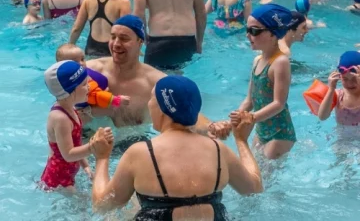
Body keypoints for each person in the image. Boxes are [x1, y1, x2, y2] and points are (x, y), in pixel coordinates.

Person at [91, 75, 263, 219]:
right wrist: (241, 140)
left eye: (152, 98)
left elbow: (102, 206)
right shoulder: (218, 150)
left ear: (162, 107)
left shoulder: (140, 153)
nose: (148, 104)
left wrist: (102, 157)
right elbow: (254, 189)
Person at [85, 15, 231, 140]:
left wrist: (210, 127)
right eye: (113, 37)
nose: (116, 44)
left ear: (140, 42)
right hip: (90, 144)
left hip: (133, 146)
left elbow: (186, 112)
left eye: (124, 39)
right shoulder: (89, 70)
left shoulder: (156, 82)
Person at [39, 60, 114, 190]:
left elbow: (76, 144)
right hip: (58, 179)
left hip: (68, 174)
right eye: (85, 84)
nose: (90, 87)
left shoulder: (71, 109)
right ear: (69, 91)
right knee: (85, 207)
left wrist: (86, 167)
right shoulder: (60, 118)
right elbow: (68, 154)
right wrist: (93, 146)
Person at [238, 4, 296, 159]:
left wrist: (252, 118)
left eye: (254, 31)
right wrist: (236, 117)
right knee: (253, 171)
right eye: (247, 29)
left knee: (265, 180)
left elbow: (279, 103)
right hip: (261, 129)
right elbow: (250, 100)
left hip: (280, 133)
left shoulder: (280, 62)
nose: (248, 35)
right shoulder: (257, 60)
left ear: (273, 34)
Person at [55, 43, 131, 125]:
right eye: (74, 62)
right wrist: (116, 100)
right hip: (84, 110)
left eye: (82, 59)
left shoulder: (59, 79)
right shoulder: (82, 80)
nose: (81, 63)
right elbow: (97, 95)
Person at [318, 51, 360, 126]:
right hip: (343, 137)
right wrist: (331, 89)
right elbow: (322, 117)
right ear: (340, 77)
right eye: (345, 79)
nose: (350, 84)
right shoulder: (338, 95)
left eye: (354, 79)